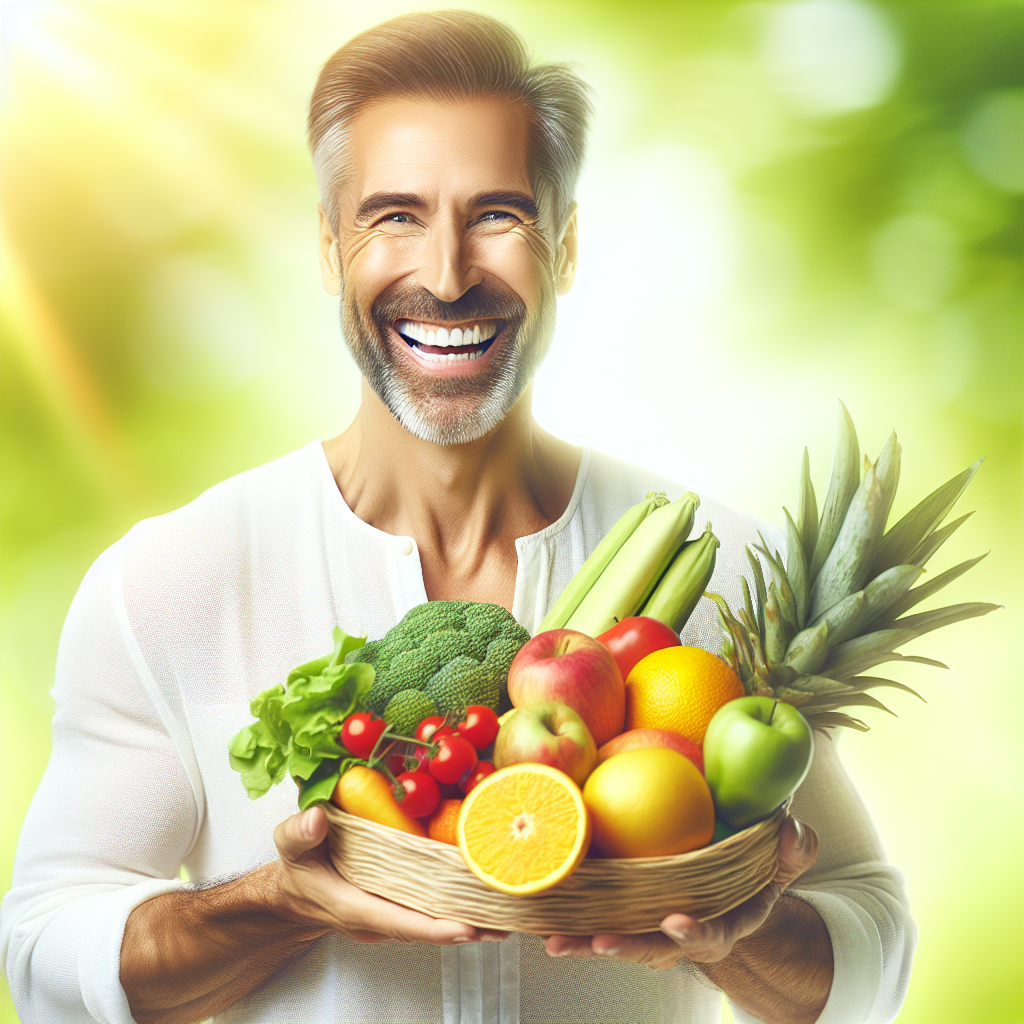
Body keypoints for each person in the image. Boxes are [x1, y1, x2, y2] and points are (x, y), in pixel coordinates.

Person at [1, 10, 916, 1023]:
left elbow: (870, 943)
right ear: (327, 248)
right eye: (394, 216)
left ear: (564, 249)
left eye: (497, 216)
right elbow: (47, 949)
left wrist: (750, 928)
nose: (444, 275)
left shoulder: (734, 575)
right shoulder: (171, 581)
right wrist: (272, 904)